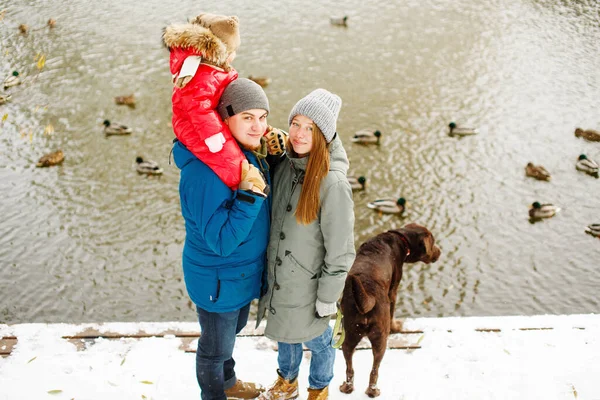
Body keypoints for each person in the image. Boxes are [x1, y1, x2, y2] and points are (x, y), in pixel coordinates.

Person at [173, 78, 277, 400]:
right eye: (247, 117)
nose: (258, 126)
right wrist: (250, 196)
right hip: (218, 279)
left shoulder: (242, 155)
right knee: (213, 350)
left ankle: (228, 383)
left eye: (262, 117)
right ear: (225, 118)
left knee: (228, 337)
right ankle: (214, 395)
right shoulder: (204, 171)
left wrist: (276, 157)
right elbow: (222, 242)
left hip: (239, 275)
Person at [257, 89, 356, 400]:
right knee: (285, 332)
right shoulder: (286, 165)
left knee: (320, 340)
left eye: (310, 128)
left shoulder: (333, 183)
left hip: (309, 285)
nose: (299, 134)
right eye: (296, 124)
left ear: (324, 135)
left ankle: (319, 386)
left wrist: (328, 297)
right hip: (280, 278)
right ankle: (287, 380)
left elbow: (341, 251)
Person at [163, 12, 247, 190]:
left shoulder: (210, 69)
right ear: (217, 51)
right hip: (194, 127)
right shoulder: (202, 75)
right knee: (230, 161)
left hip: (202, 123)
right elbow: (199, 109)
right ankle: (239, 185)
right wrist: (213, 136)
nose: (233, 57)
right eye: (231, 52)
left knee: (236, 152)